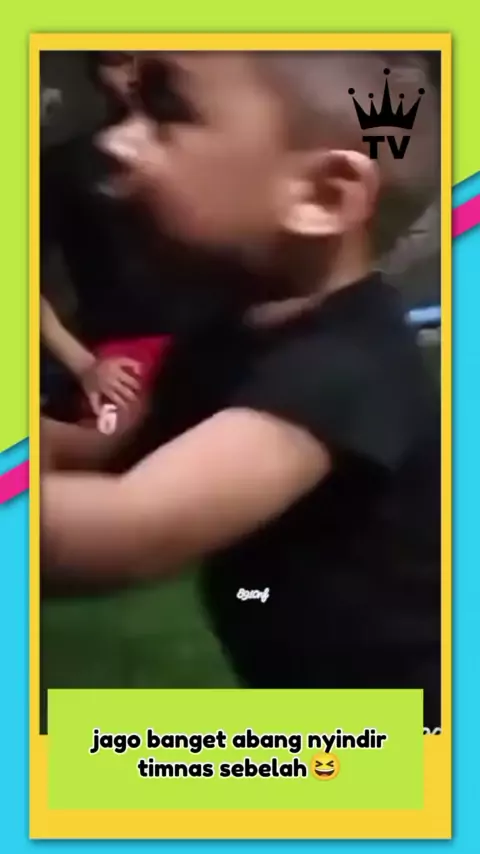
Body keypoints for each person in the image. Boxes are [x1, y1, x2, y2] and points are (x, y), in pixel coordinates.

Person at [41, 51, 441, 728]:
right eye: (123, 111)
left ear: (322, 196)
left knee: (78, 772)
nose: (114, 141)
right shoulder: (223, 335)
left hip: (416, 737)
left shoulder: (341, 369)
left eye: (166, 112)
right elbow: (103, 452)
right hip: (312, 711)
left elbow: (129, 527)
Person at [40, 51, 192, 421]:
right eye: (119, 59)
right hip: (124, 358)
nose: (134, 72)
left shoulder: (208, 148)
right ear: (97, 72)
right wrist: (85, 365)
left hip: (218, 343)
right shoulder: (67, 164)